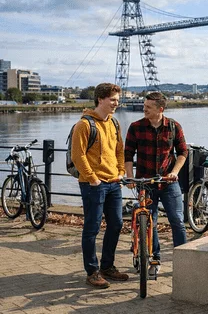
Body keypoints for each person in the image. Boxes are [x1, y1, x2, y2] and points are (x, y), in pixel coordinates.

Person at [124, 91, 188, 278]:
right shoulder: (136, 127)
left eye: (148, 107)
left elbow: (183, 152)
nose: (144, 109)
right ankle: (155, 259)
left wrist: (175, 172)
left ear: (160, 109)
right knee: (149, 222)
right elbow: (128, 154)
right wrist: (129, 176)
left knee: (177, 220)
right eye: (144, 106)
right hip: (145, 182)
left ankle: (183, 260)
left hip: (168, 182)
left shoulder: (174, 127)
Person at [71, 82, 129, 288]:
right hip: (93, 184)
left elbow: (119, 150)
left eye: (117, 100)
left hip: (114, 183)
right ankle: (92, 271)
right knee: (92, 228)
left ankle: (107, 266)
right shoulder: (85, 124)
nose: (116, 103)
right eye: (113, 100)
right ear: (100, 99)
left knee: (116, 224)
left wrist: (121, 172)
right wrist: (92, 178)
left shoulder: (114, 123)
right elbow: (77, 155)